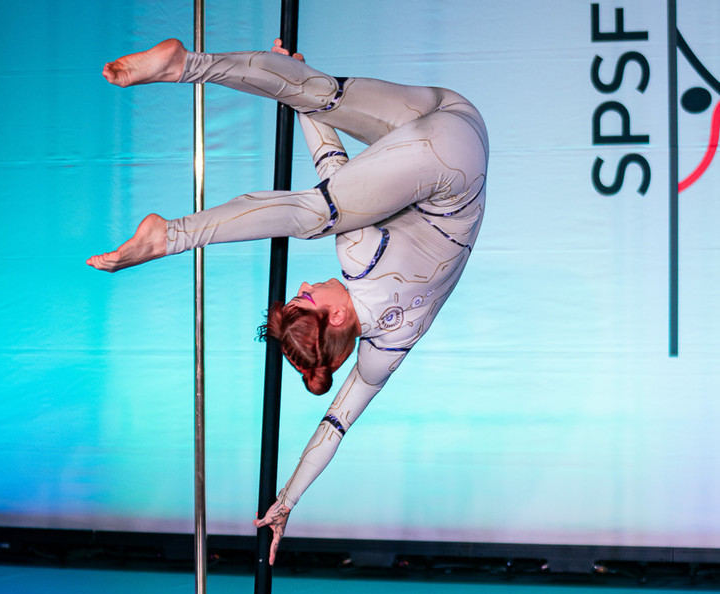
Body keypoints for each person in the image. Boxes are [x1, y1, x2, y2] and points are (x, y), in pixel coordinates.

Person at [88, 38, 488, 564]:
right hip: (446, 160)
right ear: (336, 315)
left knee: (321, 96)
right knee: (311, 215)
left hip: (457, 118)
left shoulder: (389, 346)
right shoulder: (360, 257)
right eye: (305, 299)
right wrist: (292, 88)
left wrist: (287, 501)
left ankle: (188, 65)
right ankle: (172, 234)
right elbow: (329, 178)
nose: (304, 287)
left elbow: (336, 424)